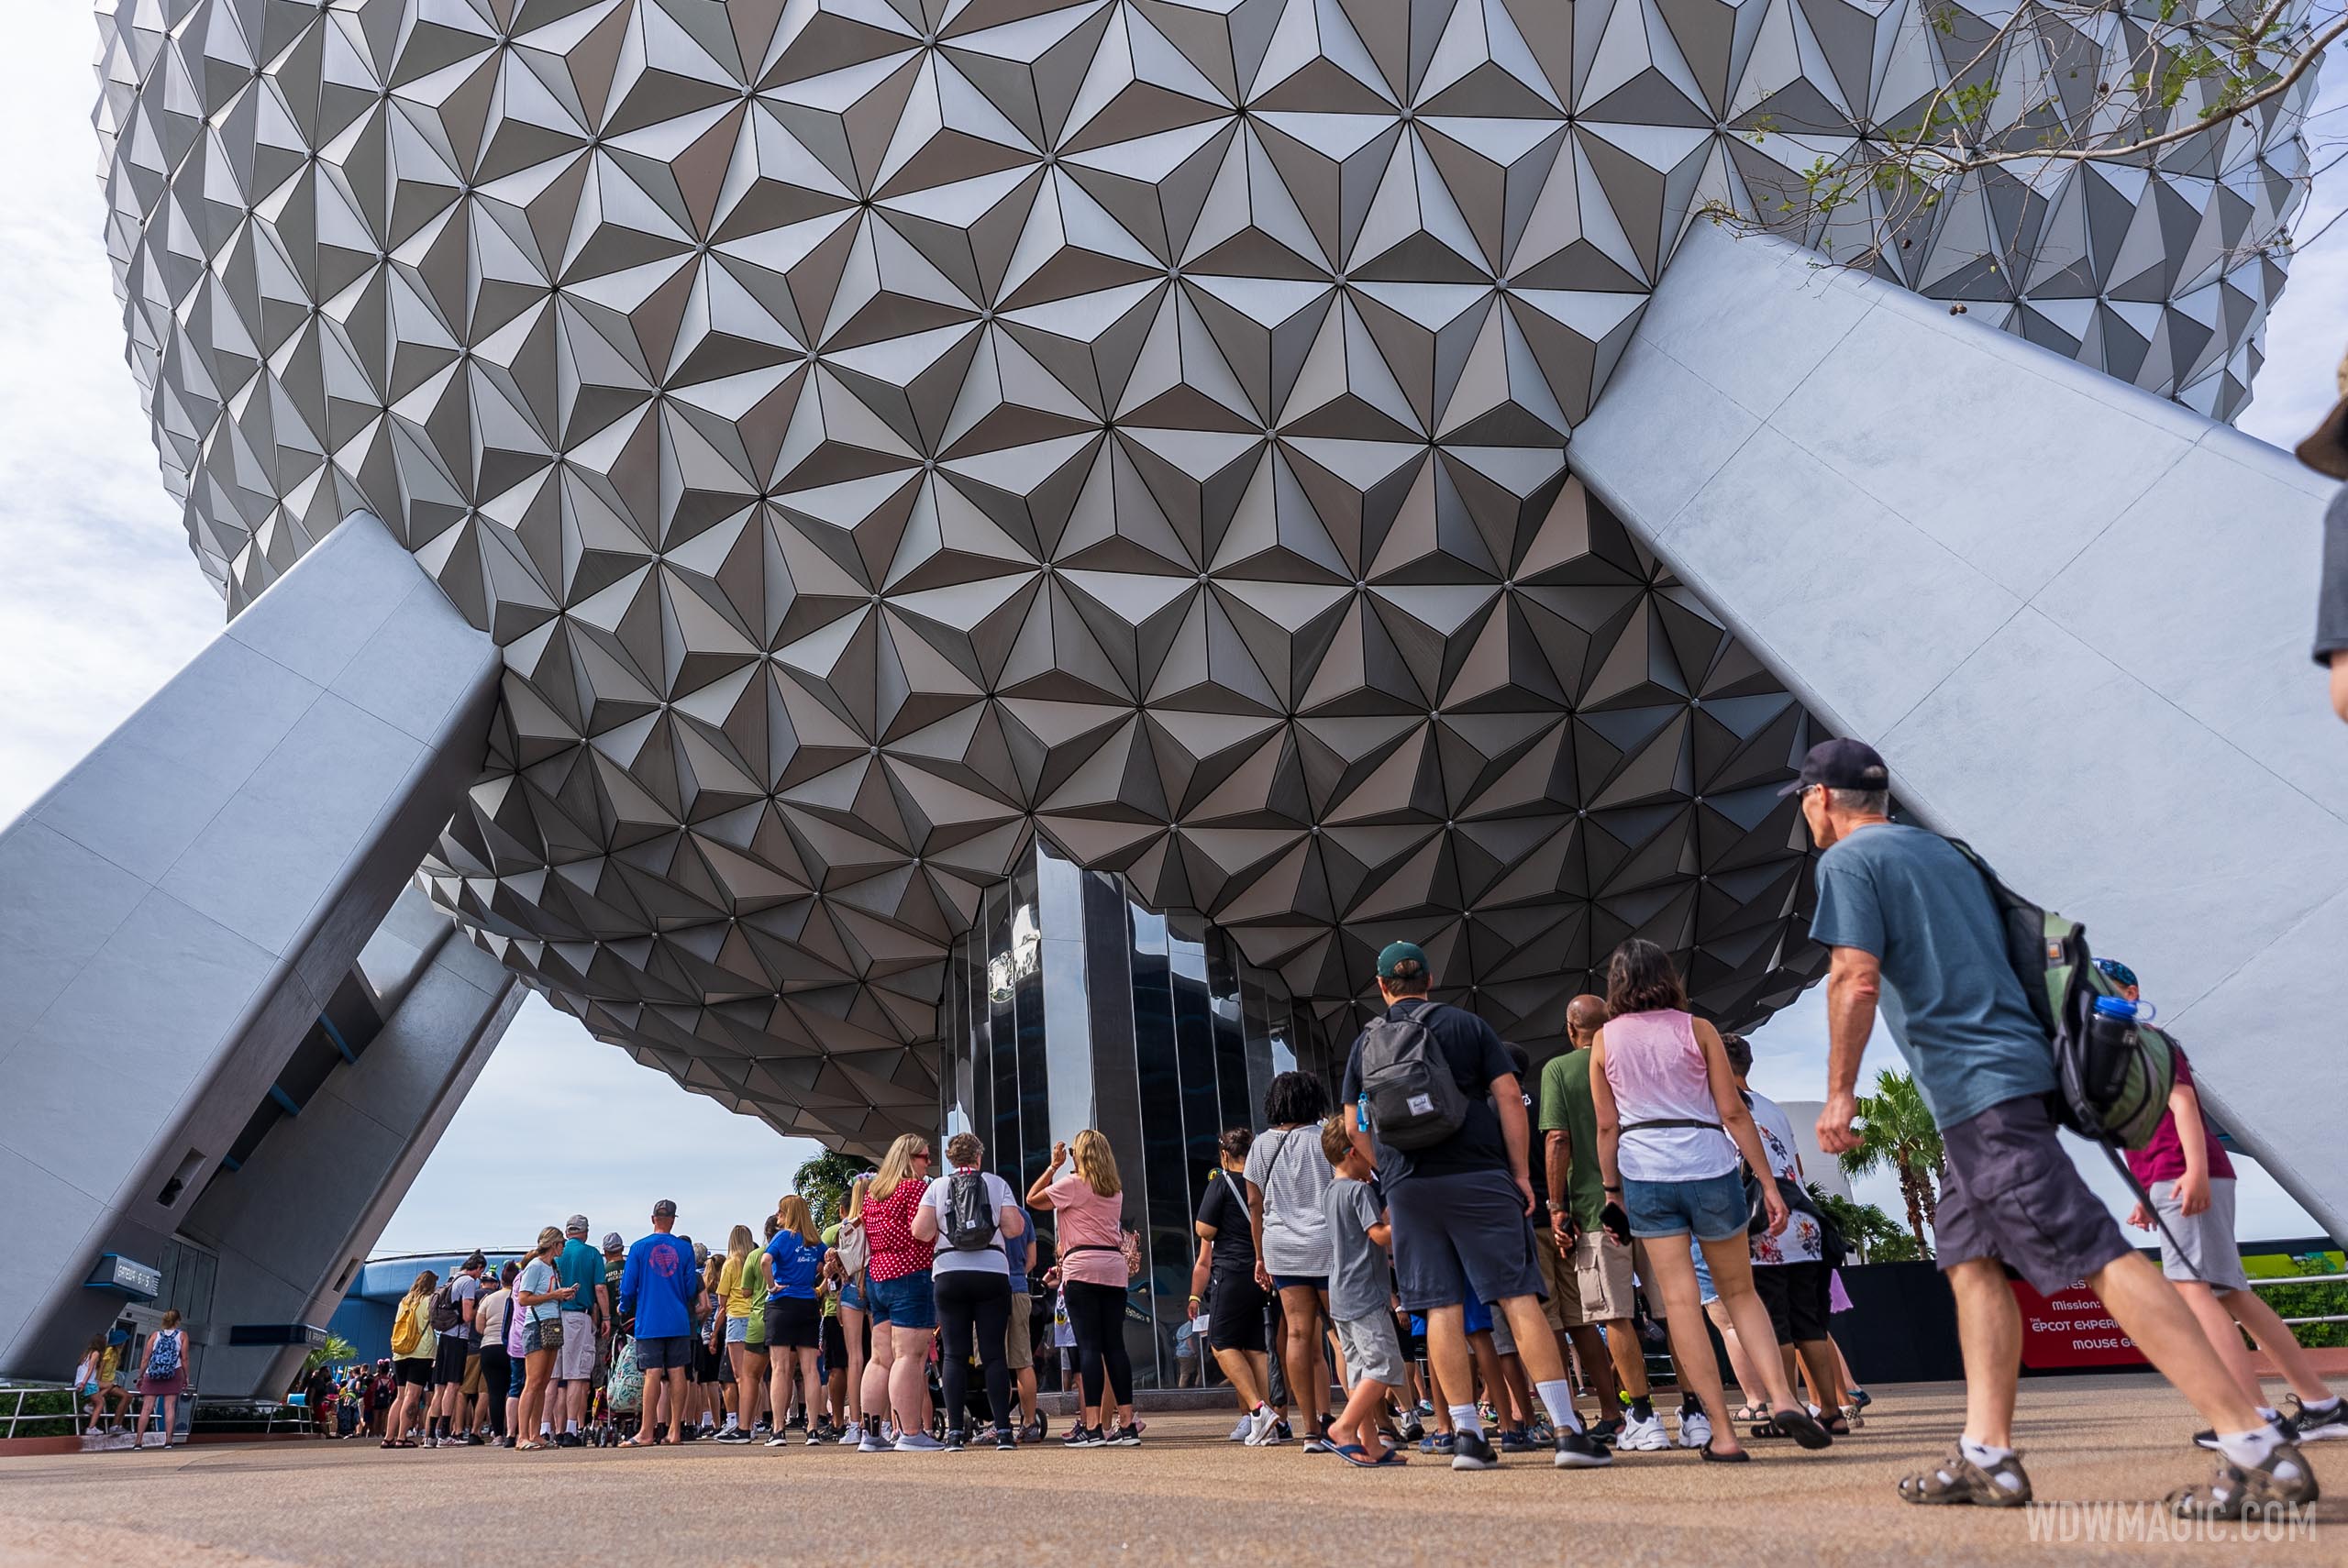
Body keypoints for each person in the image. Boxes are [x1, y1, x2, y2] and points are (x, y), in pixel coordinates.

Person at [1794, 738, 2314, 1515]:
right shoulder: (1949, 854)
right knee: (1970, 1263)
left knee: (2097, 1251)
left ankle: (2254, 1444)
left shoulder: (1847, 863)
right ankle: (1987, 1455)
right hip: (2011, 1078)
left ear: (1820, 799)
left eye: (1805, 803)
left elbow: (1855, 975)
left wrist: (1839, 1092)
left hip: (1982, 1093)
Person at [1340, 941, 1609, 1471]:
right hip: (1480, 1175)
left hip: (1410, 1187)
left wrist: (1389, 1171)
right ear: (1430, 979)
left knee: (1440, 1304)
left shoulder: (1366, 1042)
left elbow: (1353, 1127)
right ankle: (1566, 1431)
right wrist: (1520, 1175)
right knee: (1516, 1296)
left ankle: (1465, 1435)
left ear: (1382, 986)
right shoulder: (1468, 1027)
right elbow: (1509, 1097)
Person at [1589, 937, 1827, 1463]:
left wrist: (1612, 1194)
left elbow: (1607, 1125)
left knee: (1681, 1305)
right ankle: (1785, 1399)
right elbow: (1734, 1113)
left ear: (1617, 984)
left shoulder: (1605, 1040)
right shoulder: (1697, 1031)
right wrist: (1767, 1183)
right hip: (1710, 1164)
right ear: (1668, 976)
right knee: (1741, 1294)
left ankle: (1721, 1433)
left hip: (1645, 1172)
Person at [2092, 960, 2348, 1449]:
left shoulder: (2144, 1041)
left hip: (2184, 1175)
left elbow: (2183, 1105)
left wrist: (2193, 1172)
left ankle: (2254, 1418)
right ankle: (2321, 1406)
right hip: (2172, 1177)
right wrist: (2150, 1195)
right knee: (2232, 1294)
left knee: (2194, 1291)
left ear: (2131, 992)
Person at [1541, 993, 1663, 1450]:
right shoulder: (1639, 1061)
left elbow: (1557, 1139)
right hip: (1655, 1201)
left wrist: (1557, 1208)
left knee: (1614, 1315)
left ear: (1571, 1030)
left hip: (1597, 1210)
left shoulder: (1560, 1070)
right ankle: (1697, 1411)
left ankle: (1642, 1416)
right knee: (1676, 1310)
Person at [1720, 1032, 1848, 1436]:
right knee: (1808, 1320)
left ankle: (1786, 1409)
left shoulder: (1722, 1109)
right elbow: (1798, 1167)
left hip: (1762, 1222)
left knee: (1774, 1320)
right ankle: (1831, 1410)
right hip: (1803, 1218)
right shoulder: (1774, 1108)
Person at [912, 1131, 1025, 1451]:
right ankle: (1003, 1430)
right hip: (992, 1272)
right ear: (978, 1157)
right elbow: (1015, 1228)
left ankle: (955, 1433)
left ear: (950, 1159)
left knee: (955, 1355)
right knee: (993, 1354)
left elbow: (920, 1231)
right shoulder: (996, 1183)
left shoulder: (937, 1186)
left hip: (950, 1273)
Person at [1246, 1071, 1337, 1452]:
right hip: (1327, 1244)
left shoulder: (1261, 1146)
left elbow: (1254, 1205)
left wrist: (1260, 1256)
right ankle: (1361, 1421)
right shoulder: (1327, 1139)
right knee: (1342, 1334)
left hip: (1282, 1247)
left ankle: (1311, 1430)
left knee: (1297, 1335)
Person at [1029, 1129, 1137, 1447]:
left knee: (1089, 1346)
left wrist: (1053, 1166)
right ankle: (1127, 1424)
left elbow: (1033, 1198)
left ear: (1082, 1156)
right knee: (1114, 1346)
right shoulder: (1114, 1189)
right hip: (1113, 1269)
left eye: (1075, 1152)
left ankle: (1092, 1427)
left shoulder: (1073, 1185)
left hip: (1082, 1267)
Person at [1319, 1114, 1407, 1467]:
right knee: (1385, 1364)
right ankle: (1345, 1428)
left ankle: (1370, 1444)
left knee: (1359, 1369)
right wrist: (1405, 1220)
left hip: (1340, 1292)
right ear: (1354, 1152)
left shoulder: (1330, 1191)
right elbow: (1378, 1236)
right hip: (1365, 1292)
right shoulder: (1359, 1191)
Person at [1192, 1127, 1278, 1444]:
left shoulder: (1222, 1182)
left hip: (1231, 1271)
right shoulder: (1261, 1183)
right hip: (1261, 1272)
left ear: (1224, 1155)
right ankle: (1267, 1419)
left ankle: (1258, 1410)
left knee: (1221, 1342)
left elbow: (1205, 1229)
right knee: (1256, 1347)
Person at [859, 1132, 942, 1452]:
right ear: (910, 1159)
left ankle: (871, 1434)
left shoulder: (873, 1194)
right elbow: (923, 1233)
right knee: (910, 1356)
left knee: (880, 1359)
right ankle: (910, 1432)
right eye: (924, 1156)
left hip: (878, 1277)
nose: (929, 1162)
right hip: (911, 1275)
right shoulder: (916, 1189)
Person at [620, 1198, 701, 1446]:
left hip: (649, 1318)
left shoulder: (638, 1248)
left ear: (653, 1218)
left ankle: (646, 1431)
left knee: (652, 1373)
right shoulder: (685, 1249)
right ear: (674, 1220)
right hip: (678, 1319)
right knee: (678, 1372)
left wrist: (624, 1307)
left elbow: (628, 1286)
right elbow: (690, 1288)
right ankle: (675, 1430)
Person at [762, 1195, 829, 1447]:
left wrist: (772, 1285)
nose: (778, 1215)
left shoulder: (783, 1237)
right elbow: (830, 1261)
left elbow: (765, 1260)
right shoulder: (814, 1240)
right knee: (810, 1368)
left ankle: (778, 1429)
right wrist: (821, 1287)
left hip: (782, 1302)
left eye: (780, 1211)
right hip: (807, 1304)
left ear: (788, 1213)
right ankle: (812, 1429)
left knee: (780, 1368)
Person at [548, 1216, 609, 1446]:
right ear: (585, 1232)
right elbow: (600, 1288)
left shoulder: (557, 1253)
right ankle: (572, 1428)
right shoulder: (591, 1253)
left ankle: (548, 1428)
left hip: (553, 1317)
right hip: (578, 1317)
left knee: (553, 1377)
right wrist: (606, 1317)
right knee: (576, 1375)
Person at [514, 1228, 576, 1450]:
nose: (564, 1248)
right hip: (537, 1325)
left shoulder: (552, 1267)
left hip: (551, 1324)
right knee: (533, 1382)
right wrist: (554, 1295)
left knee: (542, 1382)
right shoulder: (536, 1266)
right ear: (554, 1244)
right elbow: (523, 1299)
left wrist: (562, 1295)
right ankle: (522, 1435)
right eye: (562, 1244)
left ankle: (535, 1432)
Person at [424, 1253, 483, 1447]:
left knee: (439, 1388)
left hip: (444, 1337)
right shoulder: (467, 1282)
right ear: (479, 1268)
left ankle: (430, 1435)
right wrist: (481, 1309)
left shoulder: (453, 1279)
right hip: (458, 1338)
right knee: (453, 1385)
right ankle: (445, 1433)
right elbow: (467, 1316)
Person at [829, 1176, 872, 1446]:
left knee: (853, 1358)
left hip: (849, 1289)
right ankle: (886, 1421)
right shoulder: (877, 1222)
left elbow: (839, 1270)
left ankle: (855, 1423)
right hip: (875, 1283)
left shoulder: (845, 1229)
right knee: (881, 1357)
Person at [1000, 1183, 1041, 1442]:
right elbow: (1033, 1259)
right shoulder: (1024, 1216)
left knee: (996, 1362)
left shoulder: (991, 1214)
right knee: (1023, 1360)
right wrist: (1019, 1275)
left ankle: (1001, 1423)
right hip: (1019, 1288)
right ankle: (1029, 1421)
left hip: (992, 1290)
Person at [385, 1270, 437, 1447]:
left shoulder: (404, 1301)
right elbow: (436, 1322)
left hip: (400, 1352)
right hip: (420, 1352)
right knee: (412, 1395)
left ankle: (388, 1437)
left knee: (400, 1396)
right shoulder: (429, 1300)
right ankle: (401, 1437)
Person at [131, 1309, 189, 1449]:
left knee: (146, 1408)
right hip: (173, 1372)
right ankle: (168, 1441)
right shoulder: (182, 1335)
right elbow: (185, 1358)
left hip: (153, 1373)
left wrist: (140, 1375)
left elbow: (146, 1357)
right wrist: (186, 1376)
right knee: (169, 1407)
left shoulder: (155, 1335)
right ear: (178, 1321)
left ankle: (138, 1442)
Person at [475, 1262, 514, 1445]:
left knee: (495, 1392)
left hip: (489, 1346)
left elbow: (479, 1326)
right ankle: (514, 1431)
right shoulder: (519, 1297)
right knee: (515, 1390)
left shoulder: (489, 1299)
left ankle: (497, 1434)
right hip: (512, 1347)